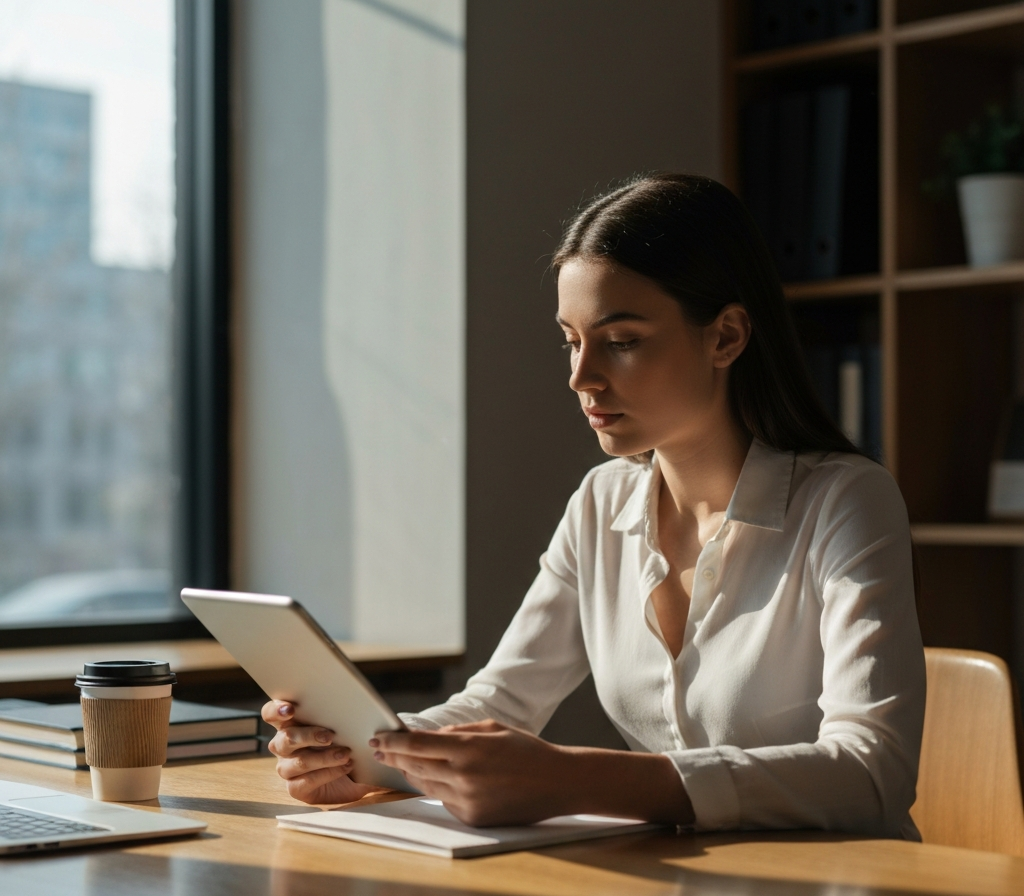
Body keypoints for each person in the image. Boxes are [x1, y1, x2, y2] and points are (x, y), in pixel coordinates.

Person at [263, 173, 925, 837]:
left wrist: (577, 779)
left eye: (623, 340)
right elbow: (501, 701)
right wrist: (362, 754)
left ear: (726, 336)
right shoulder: (601, 503)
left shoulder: (844, 500)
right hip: (681, 895)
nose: (582, 378)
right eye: (572, 341)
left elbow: (871, 770)